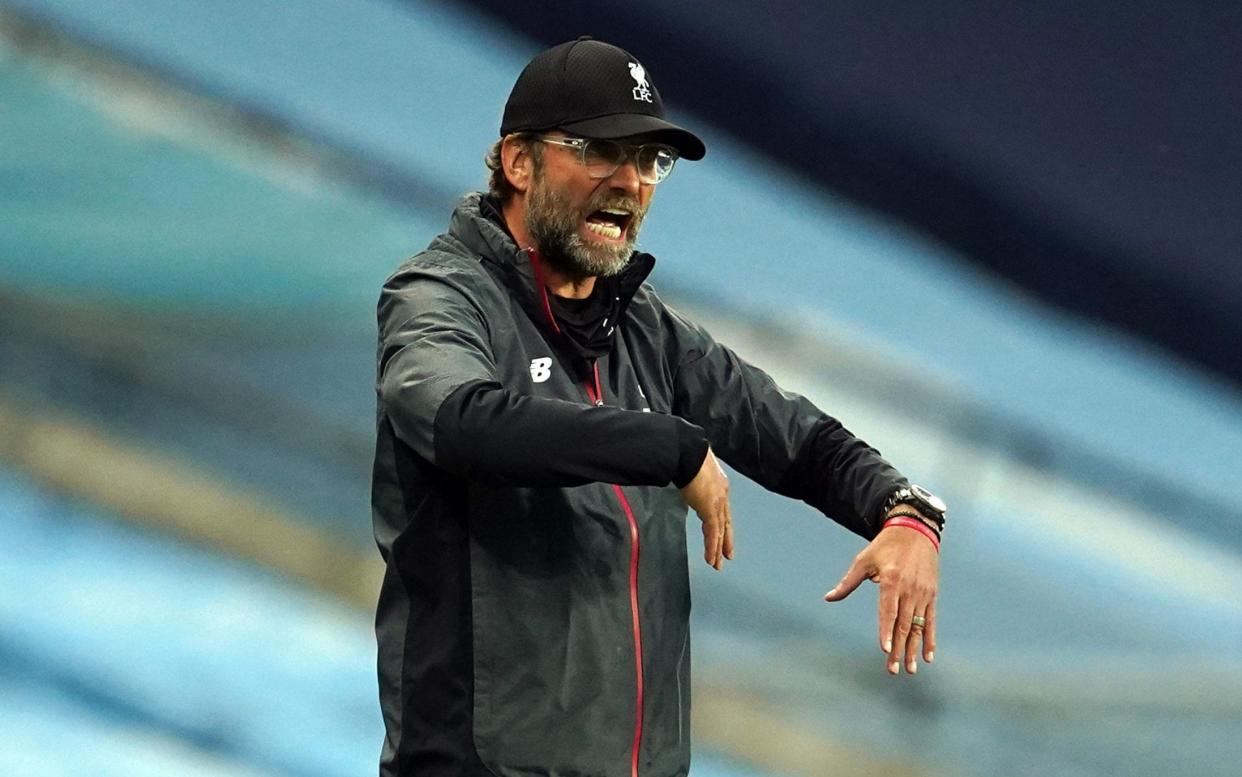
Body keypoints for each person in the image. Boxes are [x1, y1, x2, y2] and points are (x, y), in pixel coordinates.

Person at [371, 36, 945, 777]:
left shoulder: (647, 331)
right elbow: (465, 422)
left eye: (650, 162)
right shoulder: (439, 298)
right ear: (519, 161)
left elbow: (798, 439)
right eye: (602, 153)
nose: (631, 182)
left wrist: (906, 513)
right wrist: (668, 446)